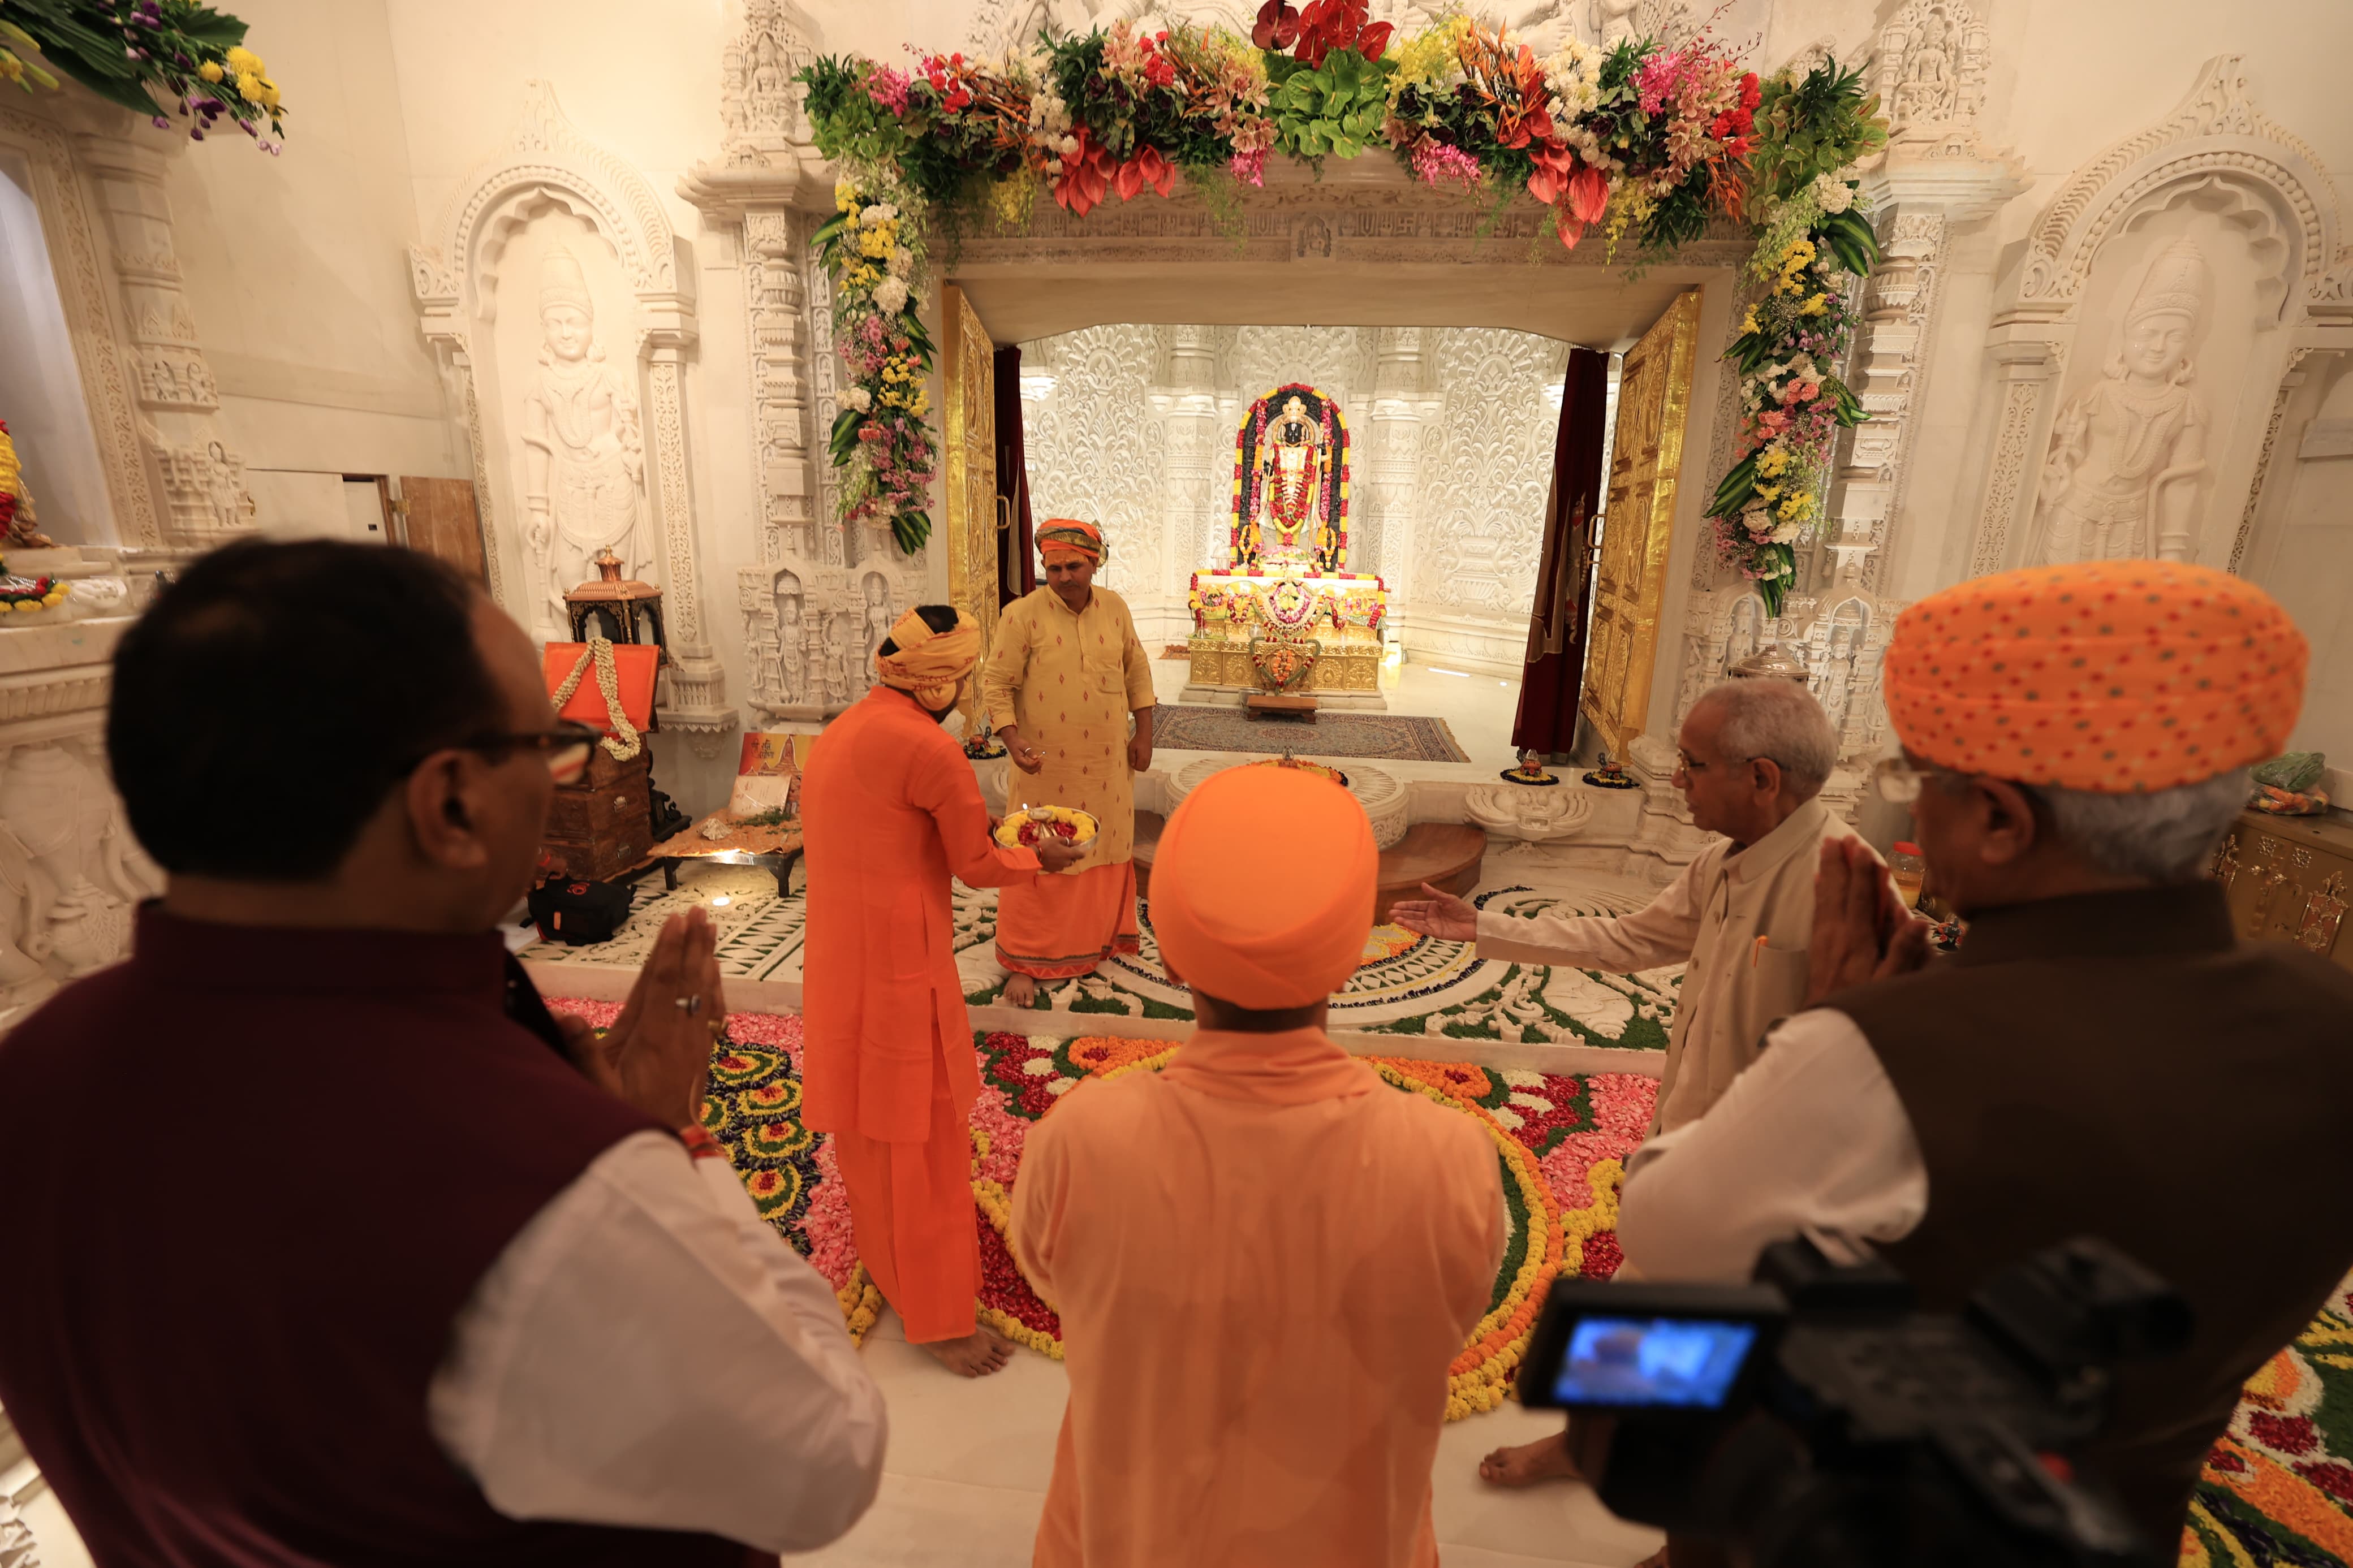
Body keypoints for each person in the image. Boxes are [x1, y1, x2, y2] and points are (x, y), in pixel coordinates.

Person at [0, 539, 885, 1563]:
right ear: (453, 802)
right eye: (551, 746)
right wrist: (669, 1146)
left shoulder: (35, 1071)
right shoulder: (540, 1181)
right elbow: (828, 1458)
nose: (566, 777)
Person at [1611, 559, 2353, 1560]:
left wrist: (1820, 1039)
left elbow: (1664, 1223)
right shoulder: (2330, 1014)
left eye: (1922, 782)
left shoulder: (1891, 1049)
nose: (1913, 818)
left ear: (2001, 819)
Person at [1011, 765, 1504, 1568]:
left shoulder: (1081, 1137)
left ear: (1169, 957)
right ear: (1352, 958)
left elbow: (1054, 1282)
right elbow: (1450, 1317)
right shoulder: (1448, 1160)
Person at [1390, 678, 1859, 1487]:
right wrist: (1484, 926)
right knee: (1640, 1296)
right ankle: (1591, 1443)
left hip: (1767, 1188)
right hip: (1690, 1145)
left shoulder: (1847, 890)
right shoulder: (1723, 863)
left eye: (1693, 762)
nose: (1675, 779)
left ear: (1763, 779)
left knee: (1721, 1352)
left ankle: (1693, 1531)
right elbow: (1629, 939)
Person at [801, 604, 1083, 1377]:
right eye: (962, 680)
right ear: (936, 684)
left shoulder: (844, 731)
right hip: (899, 973)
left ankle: (888, 1263)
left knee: (870, 1132)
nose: (965, 694)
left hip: (837, 961)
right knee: (922, 1146)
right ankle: (936, 1318)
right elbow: (978, 863)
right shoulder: (929, 746)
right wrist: (1041, 861)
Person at [981, 519, 1157, 1006]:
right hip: (1045, 768)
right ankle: (1025, 960)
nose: (1063, 576)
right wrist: (1013, 742)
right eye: (1053, 566)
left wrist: (1143, 732)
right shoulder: (1022, 615)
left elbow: (1136, 668)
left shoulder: (1115, 609)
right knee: (1040, 853)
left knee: (1103, 846)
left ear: (1093, 563)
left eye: (1073, 566)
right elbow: (997, 684)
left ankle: (1102, 940)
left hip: (1106, 767)